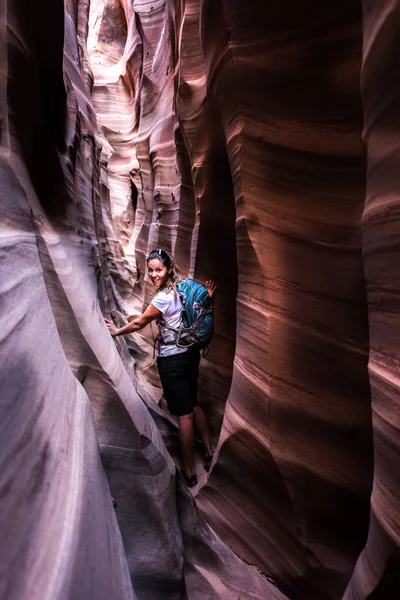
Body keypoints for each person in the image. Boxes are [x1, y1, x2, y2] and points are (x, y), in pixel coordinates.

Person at [105, 248, 216, 488]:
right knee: (194, 404)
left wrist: (116, 331)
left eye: (158, 270)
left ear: (167, 269)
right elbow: (198, 309)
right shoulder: (184, 287)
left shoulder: (162, 298)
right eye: (151, 270)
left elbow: (141, 322)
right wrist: (208, 295)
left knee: (184, 414)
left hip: (172, 361)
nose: (154, 275)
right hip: (190, 355)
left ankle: (189, 471)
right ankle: (209, 451)